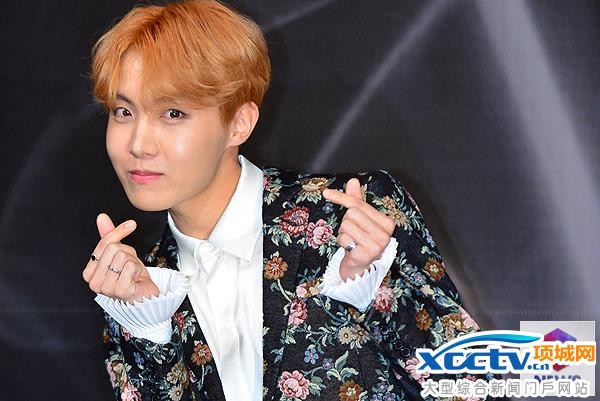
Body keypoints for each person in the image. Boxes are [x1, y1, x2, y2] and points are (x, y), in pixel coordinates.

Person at [82, 1, 488, 400]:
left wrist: (375, 290)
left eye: (172, 113)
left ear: (238, 123)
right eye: (123, 112)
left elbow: (472, 386)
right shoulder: (140, 291)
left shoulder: (351, 214)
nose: (138, 144)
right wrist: (148, 328)